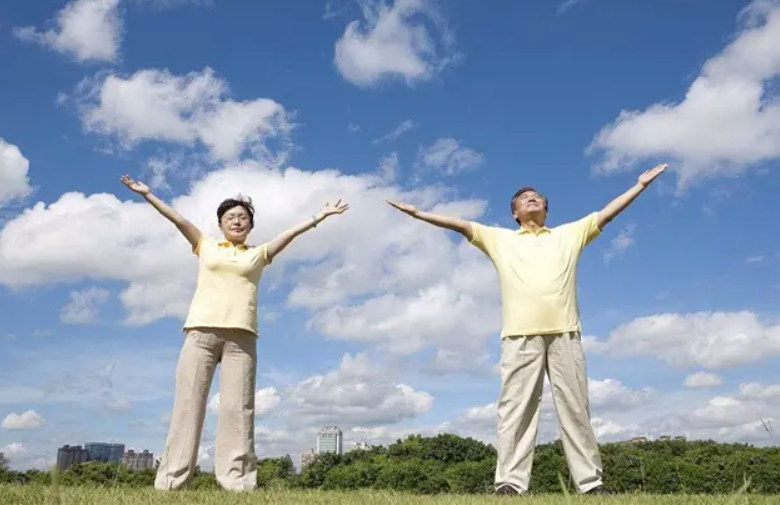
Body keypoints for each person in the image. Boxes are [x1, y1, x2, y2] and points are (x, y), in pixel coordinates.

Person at [387, 164, 668, 495]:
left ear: (546, 210)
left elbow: (606, 213)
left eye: (538, 198)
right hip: (519, 337)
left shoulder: (569, 234)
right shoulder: (499, 239)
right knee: (515, 410)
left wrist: (640, 185)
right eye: (524, 198)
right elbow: (460, 224)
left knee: (576, 409)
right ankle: (510, 483)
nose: (532, 199)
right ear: (515, 213)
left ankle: (591, 484)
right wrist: (418, 213)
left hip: (566, 334)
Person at [120, 175, 348, 491]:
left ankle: (237, 483)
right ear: (220, 224)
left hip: (241, 339)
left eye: (243, 217)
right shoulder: (206, 245)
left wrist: (319, 216)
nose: (237, 221)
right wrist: (148, 195)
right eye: (230, 217)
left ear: (250, 225)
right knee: (187, 406)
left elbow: (289, 234)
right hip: (200, 334)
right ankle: (171, 482)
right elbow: (178, 219)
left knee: (237, 410)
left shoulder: (258, 254)